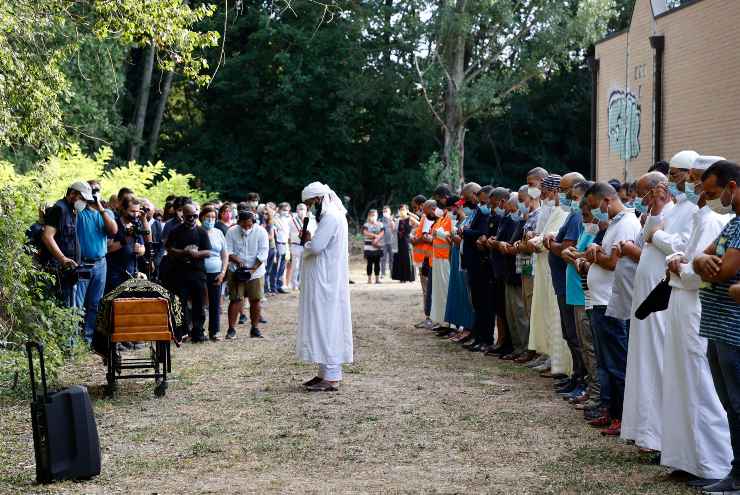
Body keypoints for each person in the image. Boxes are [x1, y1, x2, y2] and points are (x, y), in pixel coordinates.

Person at [661, 155, 732, 486]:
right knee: (681, 382)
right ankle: (687, 456)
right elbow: (693, 259)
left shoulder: (716, 220)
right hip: (683, 305)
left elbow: (706, 271)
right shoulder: (702, 218)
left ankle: (713, 462)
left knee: (703, 385)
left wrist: (683, 265)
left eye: (697, 181)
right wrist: (684, 262)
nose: (691, 187)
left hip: (698, 308)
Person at [621, 171, 678, 452]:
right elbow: (647, 238)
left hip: (660, 296)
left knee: (657, 360)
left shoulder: (678, 212)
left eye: (645, 192)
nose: (642, 198)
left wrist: (655, 231)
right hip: (643, 295)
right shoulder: (654, 212)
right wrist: (653, 216)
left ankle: (658, 434)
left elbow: (676, 246)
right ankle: (642, 428)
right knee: (642, 359)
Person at [692, 160, 740, 494]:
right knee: (729, 403)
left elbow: (723, 271)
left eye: (715, 191)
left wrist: (704, 263)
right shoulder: (734, 224)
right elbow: (701, 258)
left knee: (737, 403)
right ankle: (735, 471)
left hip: (734, 330)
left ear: (732, 186)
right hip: (717, 325)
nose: (713, 198)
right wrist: (698, 260)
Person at [583, 181, 641, 435]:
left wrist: (593, 253)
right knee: (605, 361)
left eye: (596, 206)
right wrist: (596, 251)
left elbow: (612, 263)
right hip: (599, 298)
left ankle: (621, 414)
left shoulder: (627, 223)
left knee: (616, 360)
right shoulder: (614, 223)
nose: (597, 212)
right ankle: (608, 408)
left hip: (612, 300)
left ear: (606, 200)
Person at [296, 182, 353, 392]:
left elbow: (318, 247)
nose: (311, 208)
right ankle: (323, 373)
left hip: (326, 279)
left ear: (319, 199)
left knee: (327, 324)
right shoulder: (334, 215)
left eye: (311, 203)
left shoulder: (331, 217)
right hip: (325, 277)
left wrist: (307, 242)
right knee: (322, 323)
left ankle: (331, 376)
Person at [544, 173, 587, 396]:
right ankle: (577, 376)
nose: (562, 195)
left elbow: (566, 248)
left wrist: (551, 243)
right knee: (569, 333)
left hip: (569, 283)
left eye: (566, 190)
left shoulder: (577, 215)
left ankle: (582, 380)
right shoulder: (571, 215)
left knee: (575, 334)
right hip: (564, 283)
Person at [528, 174, 570, 378]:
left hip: (553, 269)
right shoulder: (550, 209)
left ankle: (556, 359)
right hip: (543, 267)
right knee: (542, 312)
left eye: (547, 189)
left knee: (554, 314)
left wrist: (536, 241)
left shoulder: (563, 211)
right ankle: (546, 354)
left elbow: (551, 237)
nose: (543, 193)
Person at [75, 188, 118, 344]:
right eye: (91, 190)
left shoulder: (105, 213)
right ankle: (74, 340)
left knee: (95, 303)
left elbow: (113, 231)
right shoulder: (78, 212)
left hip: (100, 263)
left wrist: (100, 207)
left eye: (97, 191)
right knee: (78, 303)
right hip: (82, 263)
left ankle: (88, 339)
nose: (94, 194)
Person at [42, 181, 94, 306]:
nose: (84, 203)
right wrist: (62, 259)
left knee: (70, 309)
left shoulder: (72, 211)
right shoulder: (59, 209)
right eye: (82, 199)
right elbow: (47, 236)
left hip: (70, 273)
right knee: (60, 309)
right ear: (72, 194)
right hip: (58, 272)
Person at [166, 203, 212, 343]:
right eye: (189, 216)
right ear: (183, 216)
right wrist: (184, 252)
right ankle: (182, 332)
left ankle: (198, 332)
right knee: (180, 303)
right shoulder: (175, 231)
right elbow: (169, 248)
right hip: (180, 273)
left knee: (199, 304)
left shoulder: (201, 231)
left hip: (197, 273)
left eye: (194, 216)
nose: (192, 219)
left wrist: (196, 254)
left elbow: (208, 251)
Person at [225, 211, 269, 339]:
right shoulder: (232, 231)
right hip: (236, 270)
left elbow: (263, 253)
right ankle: (231, 329)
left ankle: (255, 328)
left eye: (249, 225)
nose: (246, 228)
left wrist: (253, 269)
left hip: (256, 272)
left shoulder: (261, 232)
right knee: (236, 299)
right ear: (239, 223)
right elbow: (228, 250)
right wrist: (237, 260)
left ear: (253, 222)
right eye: (243, 225)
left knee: (255, 299)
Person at [442, 197, 475, 337]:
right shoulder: (461, 221)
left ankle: (467, 326)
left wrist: (453, 237)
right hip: (456, 255)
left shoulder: (467, 220)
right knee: (456, 290)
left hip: (462, 257)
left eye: (451, 208)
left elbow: (462, 240)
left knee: (464, 292)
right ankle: (458, 325)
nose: (451, 212)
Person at [106, 197, 146, 292]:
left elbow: (143, 248)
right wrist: (124, 241)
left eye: (137, 211)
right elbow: (107, 248)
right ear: (123, 210)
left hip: (132, 272)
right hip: (115, 273)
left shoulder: (137, 225)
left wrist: (140, 251)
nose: (135, 214)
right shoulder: (114, 224)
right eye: (132, 211)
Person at [200, 206, 228, 341]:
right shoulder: (198, 232)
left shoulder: (219, 232)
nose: (210, 220)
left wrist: (223, 272)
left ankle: (215, 331)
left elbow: (224, 255)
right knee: (200, 302)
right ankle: (199, 330)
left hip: (216, 272)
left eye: (213, 217)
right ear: (202, 218)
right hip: (200, 273)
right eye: (207, 217)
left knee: (215, 302)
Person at [411, 200, 436, 329]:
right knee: (427, 290)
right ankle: (429, 317)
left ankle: (430, 318)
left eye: (416, 207)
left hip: (427, 258)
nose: (416, 210)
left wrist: (415, 240)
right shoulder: (426, 217)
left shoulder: (427, 217)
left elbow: (425, 236)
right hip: (425, 258)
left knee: (427, 291)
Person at [430, 198, 453, 329]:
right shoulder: (440, 220)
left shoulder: (449, 219)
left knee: (445, 290)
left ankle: (448, 323)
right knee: (438, 291)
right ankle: (441, 320)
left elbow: (450, 236)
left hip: (445, 259)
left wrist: (438, 233)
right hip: (437, 258)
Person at [288, 203, 313, 290]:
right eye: (300, 209)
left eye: (303, 209)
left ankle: (301, 284)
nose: (302, 211)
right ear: (297, 210)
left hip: (305, 246)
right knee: (296, 266)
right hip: (296, 245)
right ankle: (294, 284)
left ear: (306, 211)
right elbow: (289, 234)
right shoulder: (292, 221)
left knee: (304, 266)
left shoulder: (309, 220)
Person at [391, 204, 415, 283]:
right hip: (399, 241)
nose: (401, 211)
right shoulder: (397, 220)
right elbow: (394, 230)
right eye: (400, 209)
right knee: (399, 258)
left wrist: (413, 233)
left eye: (403, 209)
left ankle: (409, 277)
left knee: (407, 258)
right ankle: (401, 278)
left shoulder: (410, 218)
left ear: (407, 210)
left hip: (407, 241)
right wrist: (392, 222)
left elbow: (418, 223)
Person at [271, 202, 290, 293]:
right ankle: (273, 286)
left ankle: (279, 285)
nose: (286, 212)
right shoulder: (275, 219)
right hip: (278, 243)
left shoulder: (288, 219)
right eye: (284, 210)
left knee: (282, 266)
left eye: (287, 210)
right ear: (279, 209)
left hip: (285, 244)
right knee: (276, 266)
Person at [362, 209, 385, 284]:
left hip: (377, 247)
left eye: (374, 215)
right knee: (369, 264)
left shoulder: (380, 224)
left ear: (377, 216)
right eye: (371, 215)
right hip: (368, 248)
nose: (373, 217)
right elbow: (365, 232)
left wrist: (376, 239)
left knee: (377, 263)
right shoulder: (366, 225)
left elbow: (382, 232)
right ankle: (369, 279)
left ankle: (377, 279)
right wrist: (375, 236)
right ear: (369, 216)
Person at [379, 206, 396, 279]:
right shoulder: (380, 220)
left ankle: (392, 273)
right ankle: (382, 273)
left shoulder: (393, 220)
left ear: (390, 212)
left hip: (392, 242)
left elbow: (395, 230)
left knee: (392, 259)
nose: (385, 212)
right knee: (383, 258)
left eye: (386, 211)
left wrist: (392, 222)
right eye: (384, 211)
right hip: (383, 242)